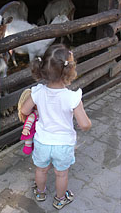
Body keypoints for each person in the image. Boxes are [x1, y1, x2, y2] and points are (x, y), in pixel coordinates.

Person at [21, 44, 92, 210]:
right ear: (69, 71)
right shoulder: (72, 97)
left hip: (42, 141)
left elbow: (24, 110)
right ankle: (60, 199)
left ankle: (40, 192)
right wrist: (88, 124)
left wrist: (37, 112)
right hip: (63, 144)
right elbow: (85, 124)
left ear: (44, 68)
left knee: (41, 170)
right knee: (61, 174)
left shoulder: (37, 92)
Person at [18, 89, 38, 155]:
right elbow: (29, 122)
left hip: (38, 129)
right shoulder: (32, 115)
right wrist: (26, 128)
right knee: (29, 137)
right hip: (32, 129)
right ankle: (28, 146)